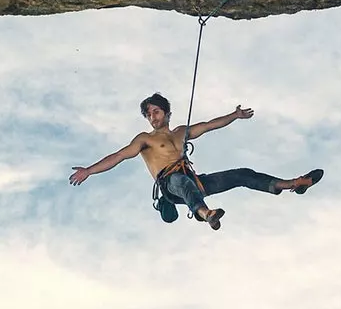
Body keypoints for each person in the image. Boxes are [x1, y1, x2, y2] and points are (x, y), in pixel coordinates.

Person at [68, 92, 323, 230]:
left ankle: (293, 183)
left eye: (155, 111)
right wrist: (89, 171)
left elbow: (211, 125)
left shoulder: (181, 132)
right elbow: (119, 156)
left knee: (241, 174)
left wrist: (234, 115)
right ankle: (204, 214)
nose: (152, 117)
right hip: (171, 185)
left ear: (166, 112)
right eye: (148, 114)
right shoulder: (145, 138)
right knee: (180, 180)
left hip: (194, 183)